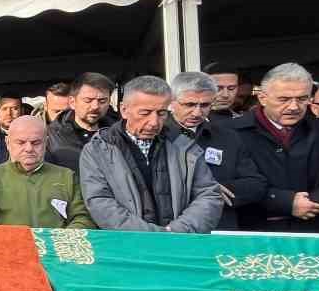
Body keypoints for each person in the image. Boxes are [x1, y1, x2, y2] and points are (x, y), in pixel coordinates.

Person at [78, 75, 224, 234]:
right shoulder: (98, 149)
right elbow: (100, 201)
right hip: (127, 246)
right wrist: (151, 235)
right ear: (124, 110)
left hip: (181, 241)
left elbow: (208, 195)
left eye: (161, 113)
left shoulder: (184, 145)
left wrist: (177, 231)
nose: (154, 122)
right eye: (145, 113)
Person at [230, 62, 319, 234]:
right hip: (253, 232)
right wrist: (285, 202)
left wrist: (311, 202)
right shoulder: (231, 133)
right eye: (284, 99)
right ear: (262, 97)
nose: (294, 107)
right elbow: (227, 183)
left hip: (316, 228)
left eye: (302, 99)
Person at [165, 71, 264, 231]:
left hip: (219, 228)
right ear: (171, 101)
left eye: (205, 105)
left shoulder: (228, 137)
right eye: (189, 105)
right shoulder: (156, 135)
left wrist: (217, 190)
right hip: (170, 228)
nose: (197, 112)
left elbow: (256, 185)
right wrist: (203, 188)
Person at [0, 116, 93, 228]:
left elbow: (82, 217)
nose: (29, 148)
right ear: (7, 143)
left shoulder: (67, 177)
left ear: (46, 143)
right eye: (21, 142)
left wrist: (60, 241)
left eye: (36, 143)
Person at [46, 73, 115, 171]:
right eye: (88, 100)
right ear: (72, 102)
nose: (95, 106)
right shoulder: (50, 136)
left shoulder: (119, 134)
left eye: (102, 101)